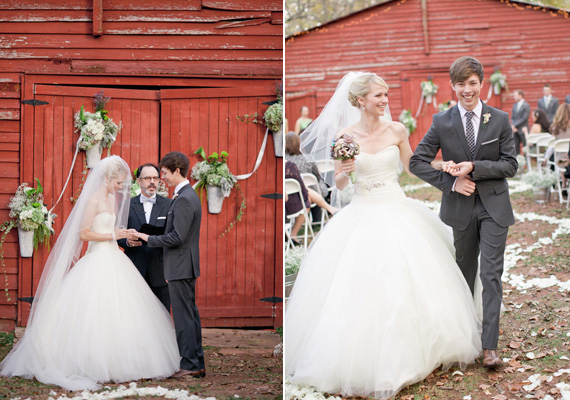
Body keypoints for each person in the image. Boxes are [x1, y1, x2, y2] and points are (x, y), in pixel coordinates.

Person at [286, 72, 481, 399]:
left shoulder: (397, 130)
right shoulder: (345, 136)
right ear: (361, 100)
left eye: (385, 95)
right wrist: (344, 172)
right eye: (378, 95)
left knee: (408, 279)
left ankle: (422, 349)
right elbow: (339, 185)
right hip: (361, 212)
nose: (384, 100)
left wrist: (446, 172)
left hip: (397, 208)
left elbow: (411, 167)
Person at [0, 156, 180, 390]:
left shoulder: (109, 198)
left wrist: (123, 233)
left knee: (121, 311)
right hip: (96, 259)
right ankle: (89, 361)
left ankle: (122, 358)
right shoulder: (93, 199)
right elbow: (84, 233)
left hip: (114, 258)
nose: (120, 188)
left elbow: (107, 227)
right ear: (106, 178)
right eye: (117, 183)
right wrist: (112, 235)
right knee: (93, 310)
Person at [410, 56, 518, 370]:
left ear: (481, 83)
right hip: (460, 209)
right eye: (461, 84)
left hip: (494, 207)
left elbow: (510, 165)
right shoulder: (442, 121)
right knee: (464, 272)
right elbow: (417, 162)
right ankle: (465, 335)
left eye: (472, 83)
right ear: (453, 85)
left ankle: (489, 347)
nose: (467, 89)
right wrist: (451, 183)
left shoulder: (499, 119)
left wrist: (476, 168)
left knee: (490, 274)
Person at [133, 152, 205, 379]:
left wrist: (147, 239)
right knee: (190, 315)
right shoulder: (185, 195)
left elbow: (177, 237)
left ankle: (190, 364)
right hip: (184, 265)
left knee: (184, 318)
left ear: (176, 171)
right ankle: (197, 362)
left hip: (180, 265)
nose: (161, 178)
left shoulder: (184, 198)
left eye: (164, 173)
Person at [118, 163, 171, 310]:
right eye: (148, 178)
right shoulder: (126, 205)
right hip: (134, 269)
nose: (152, 181)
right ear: (139, 181)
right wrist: (127, 241)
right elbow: (117, 233)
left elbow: (173, 236)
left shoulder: (170, 205)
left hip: (161, 270)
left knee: (163, 314)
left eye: (155, 178)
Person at [285, 160, 337, 240]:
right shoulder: (292, 165)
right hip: (293, 205)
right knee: (307, 198)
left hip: (288, 201)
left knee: (306, 192)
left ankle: (329, 209)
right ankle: (293, 234)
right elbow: (317, 176)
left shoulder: (286, 163)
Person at [285, 131, 328, 196]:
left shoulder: (285, 160)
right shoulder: (308, 158)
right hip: (312, 190)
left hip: (292, 193)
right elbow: (317, 175)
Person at [510, 89, 530, 155]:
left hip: (523, 129)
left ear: (520, 96)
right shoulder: (514, 105)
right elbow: (512, 117)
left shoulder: (526, 105)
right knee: (515, 148)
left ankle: (526, 163)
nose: (514, 97)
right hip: (515, 130)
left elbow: (524, 118)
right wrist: (513, 126)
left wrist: (515, 125)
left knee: (525, 147)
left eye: (515, 96)